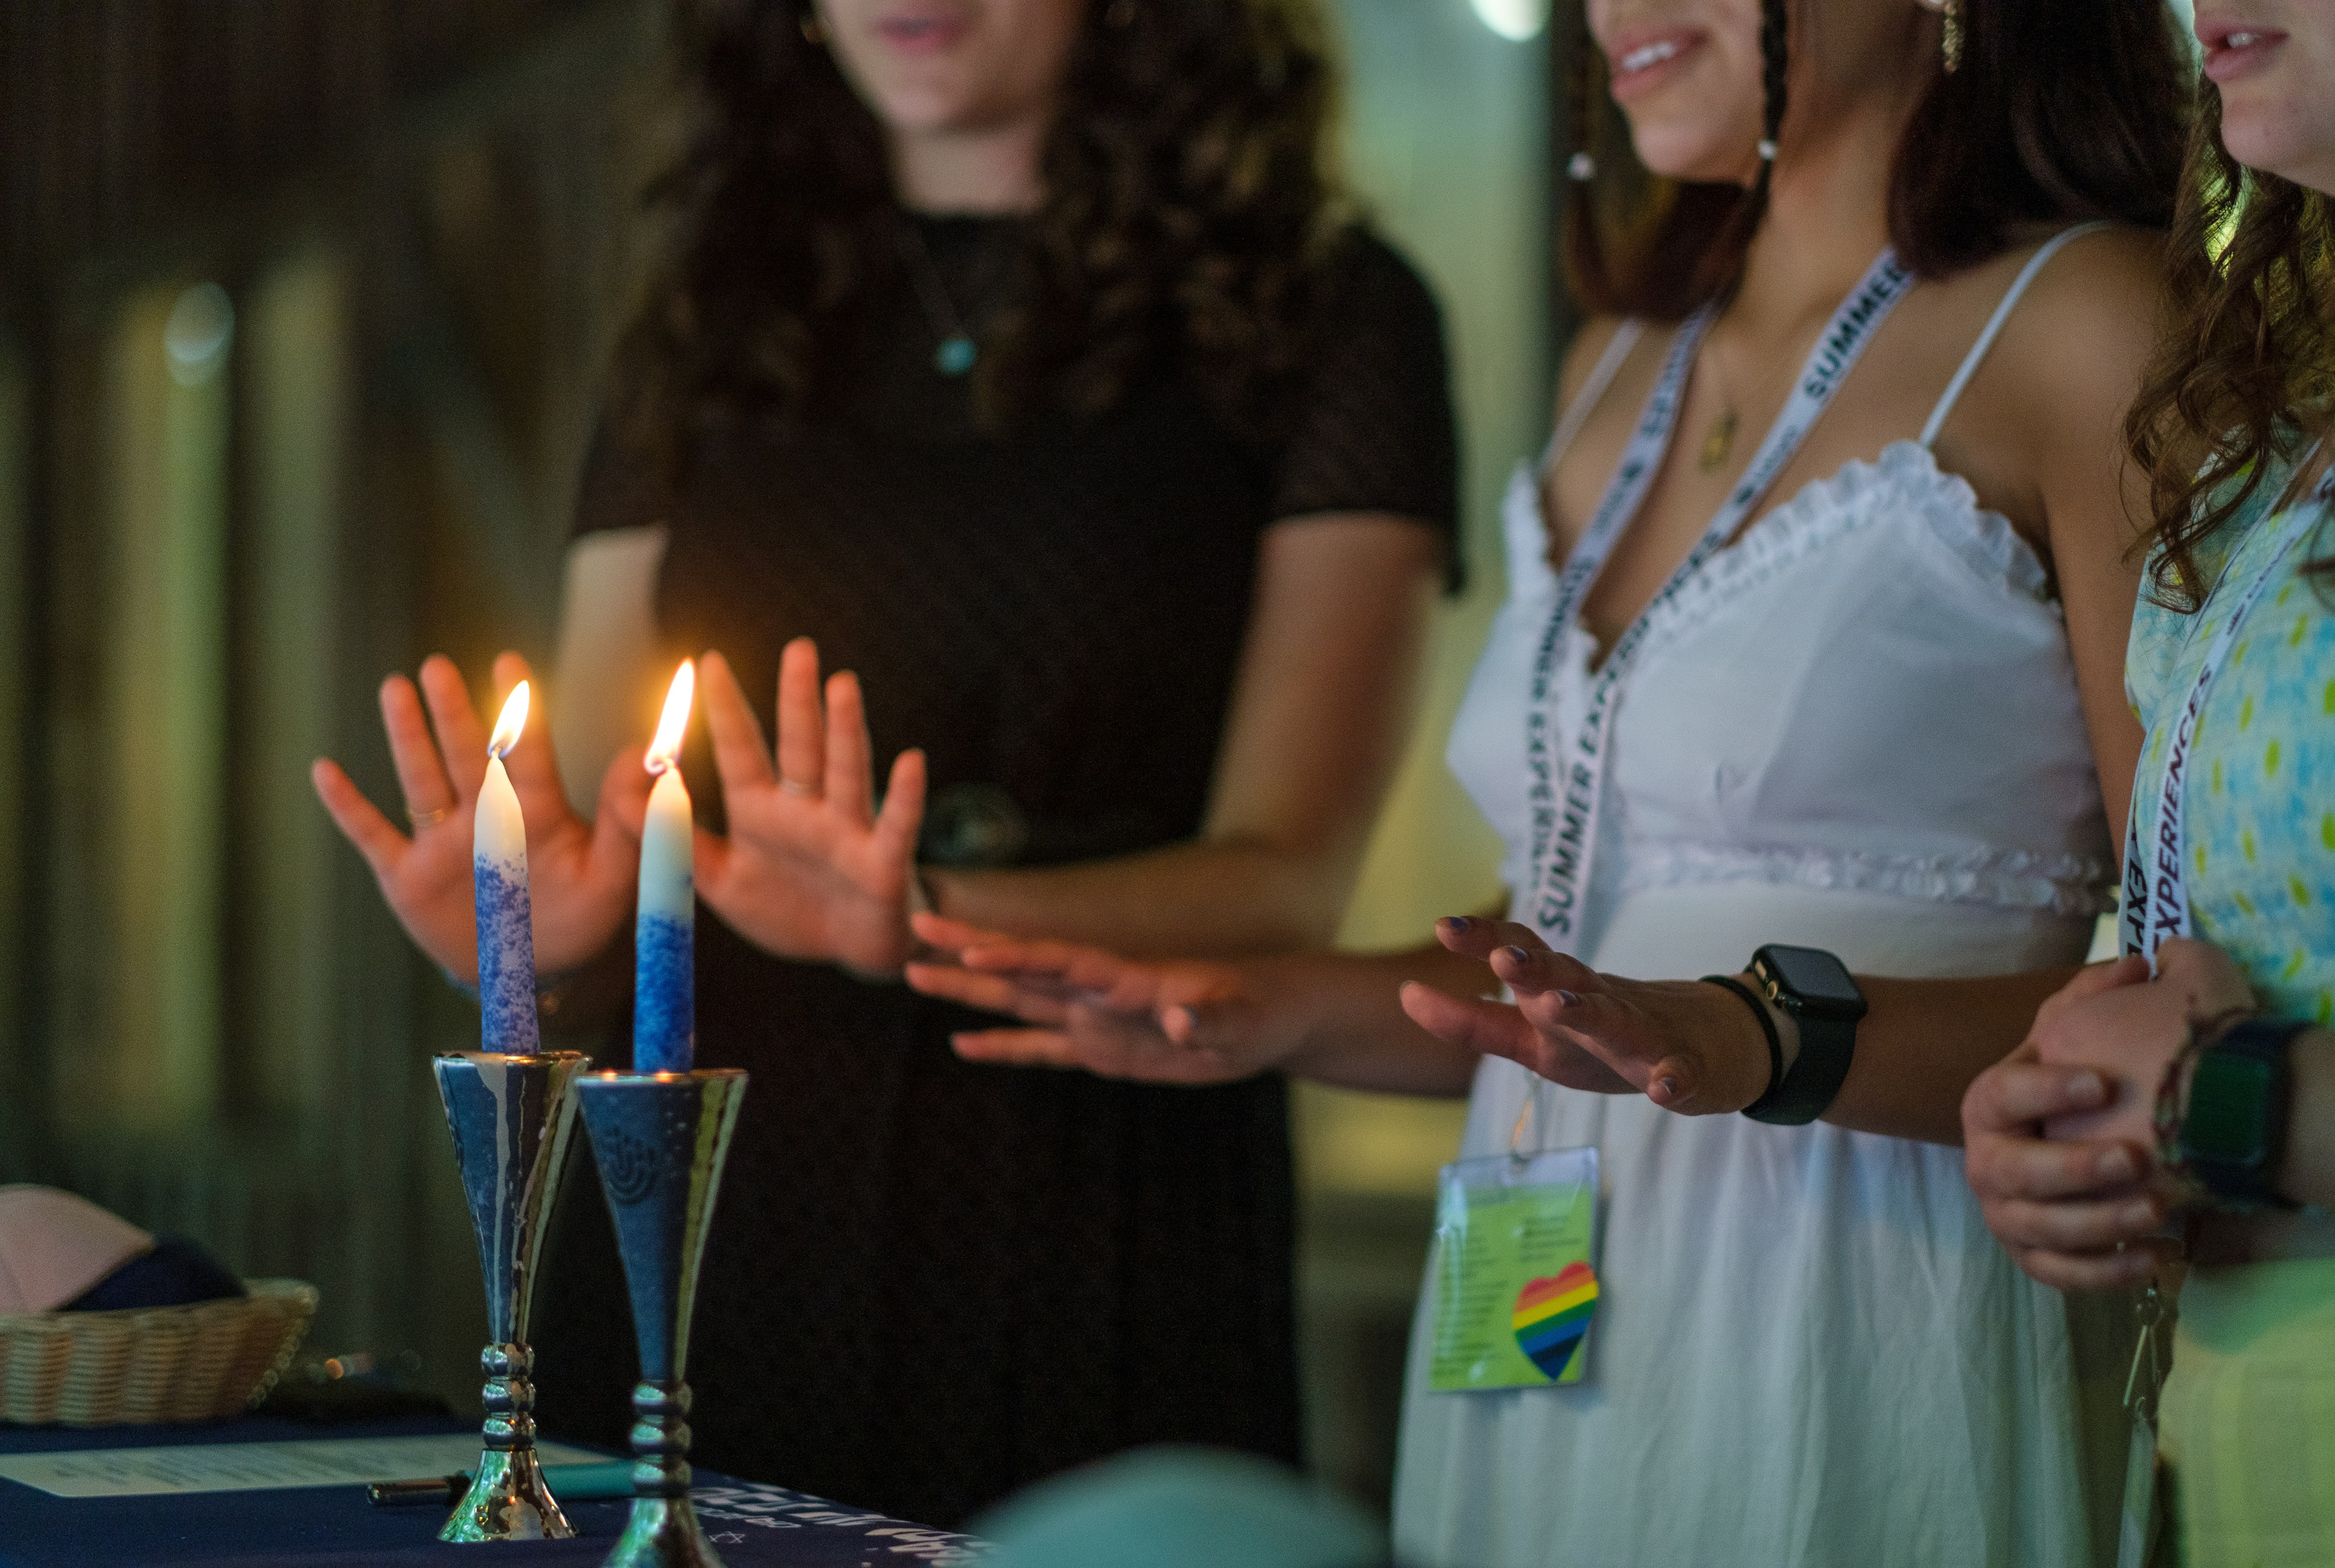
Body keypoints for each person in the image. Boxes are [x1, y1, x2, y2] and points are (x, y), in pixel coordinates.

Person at [904, 0, 2190, 1561]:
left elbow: (2181, 982)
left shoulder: (2083, 321)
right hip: (1548, 1290)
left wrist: (1744, 1032)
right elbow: (1574, 964)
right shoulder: (1618, 363)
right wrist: (1262, 1006)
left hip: (1860, 1280)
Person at [311, 0, 1459, 1528]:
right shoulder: (708, 313)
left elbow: (1286, 875)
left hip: (1095, 1177)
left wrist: (923, 914)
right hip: (718, 1184)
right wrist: (540, 922)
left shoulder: (1324, 311)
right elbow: (606, 808)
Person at [1960, 5, 2335, 1559]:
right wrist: (2058, 1094)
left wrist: (2227, 1103)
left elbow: (2222, 1071)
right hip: (2232, 1427)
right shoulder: (2271, 439)